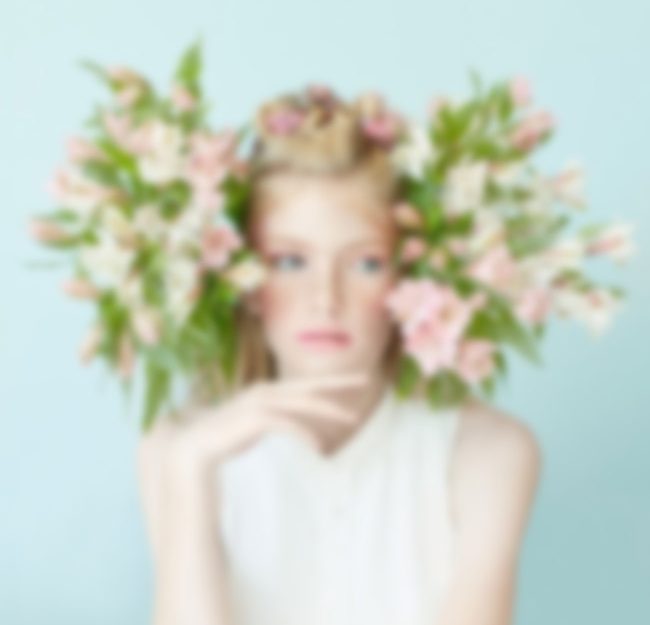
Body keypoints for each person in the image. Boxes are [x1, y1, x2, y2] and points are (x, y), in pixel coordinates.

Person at [136, 87, 543, 625]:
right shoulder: (181, 447)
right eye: (289, 261)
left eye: (366, 264)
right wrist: (190, 469)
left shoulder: (485, 453)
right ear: (245, 282)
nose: (325, 298)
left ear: (413, 281)